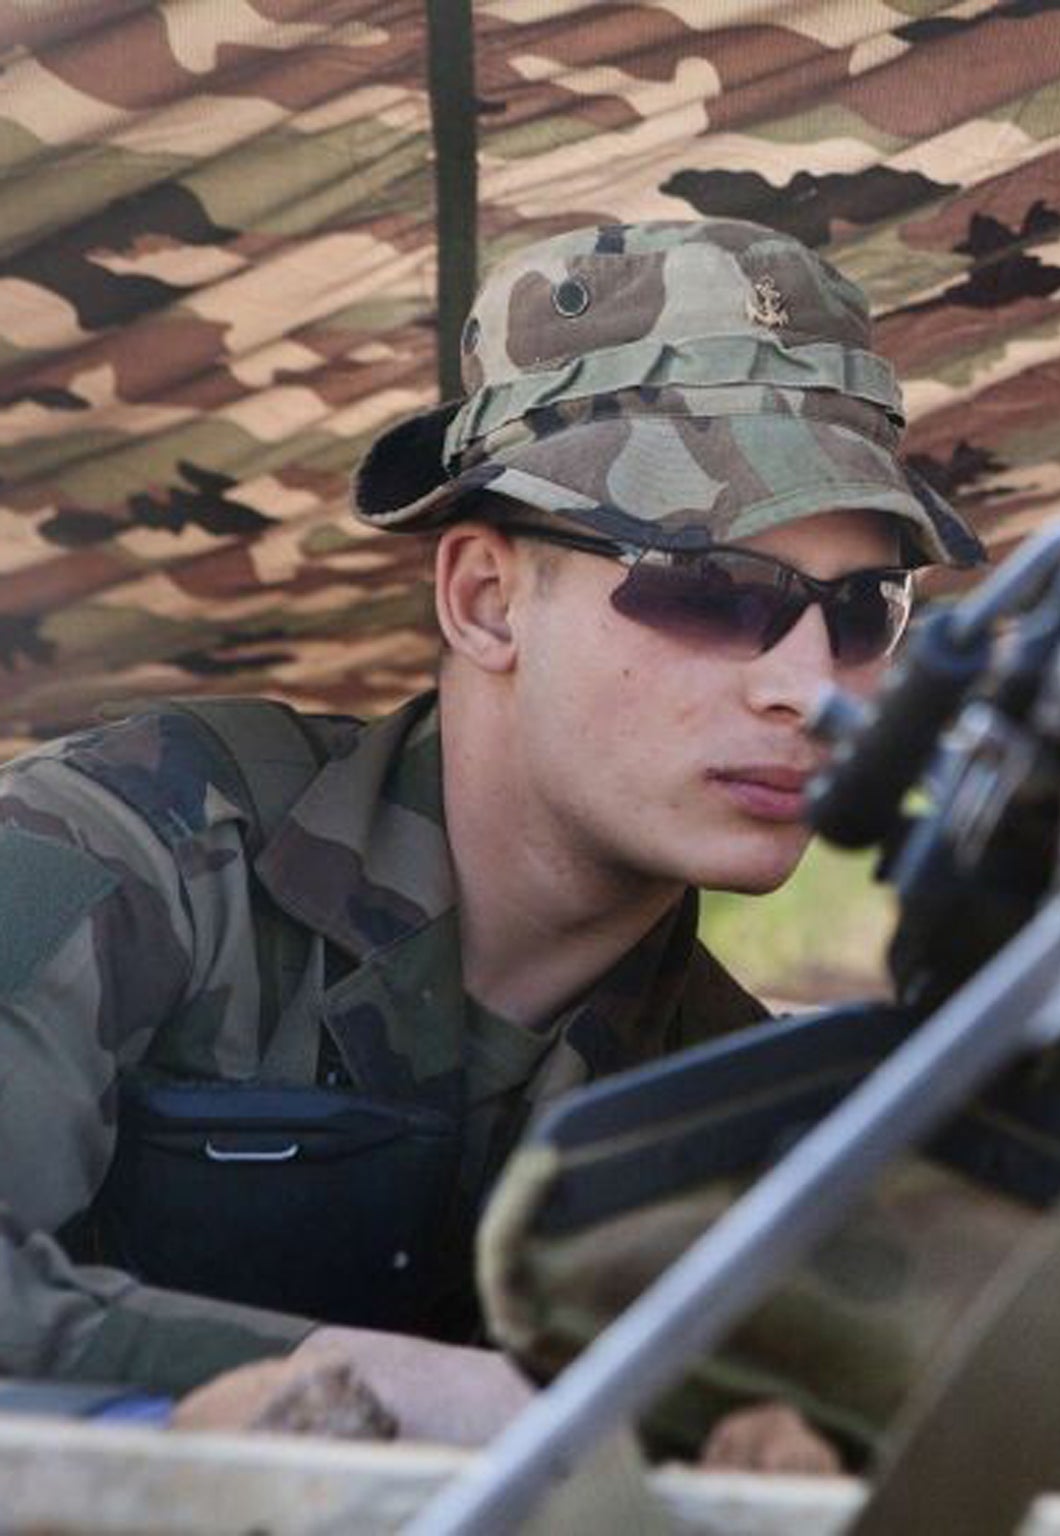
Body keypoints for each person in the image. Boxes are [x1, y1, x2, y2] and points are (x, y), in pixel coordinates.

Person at [0, 217, 982, 1440]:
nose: (808, 686)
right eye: (712, 588)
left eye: (858, 610)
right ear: (485, 600)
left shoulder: (733, 1104)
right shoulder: (126, 850)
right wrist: (385, 1393)